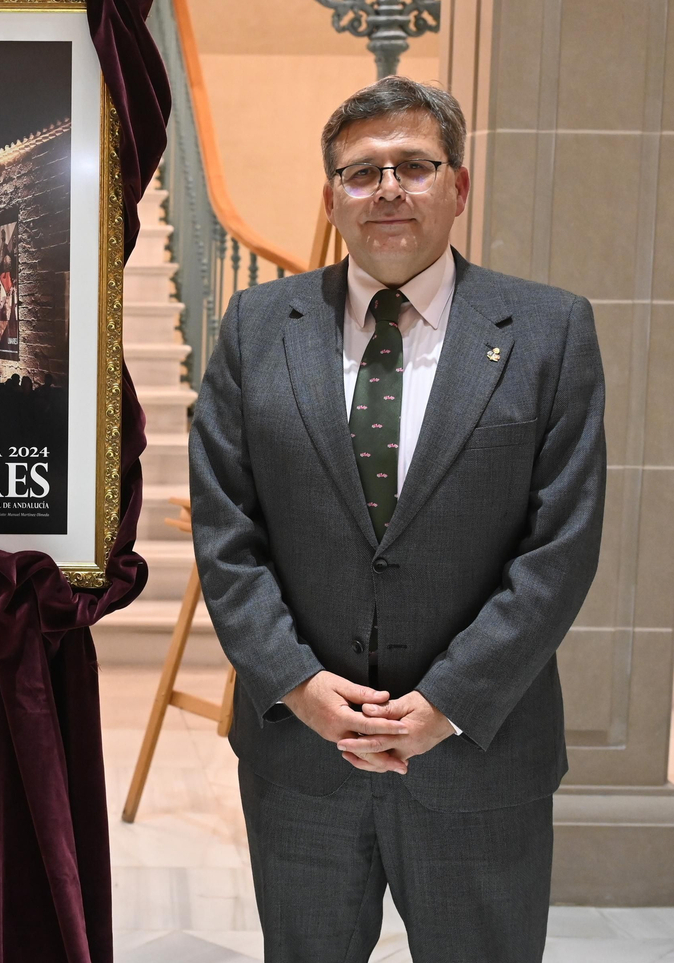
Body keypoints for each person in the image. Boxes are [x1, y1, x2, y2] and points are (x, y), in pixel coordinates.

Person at [189, 76, 606, 963]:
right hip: (302, 759)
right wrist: (298, 685)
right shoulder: (258, 326)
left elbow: (559, 548)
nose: (386, 189)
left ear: (458, 186)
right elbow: (227, 535)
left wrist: (447, 703)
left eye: (414, 166)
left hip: (479, 758)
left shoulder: (549, 331)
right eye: (360, 171)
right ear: (330, 195)